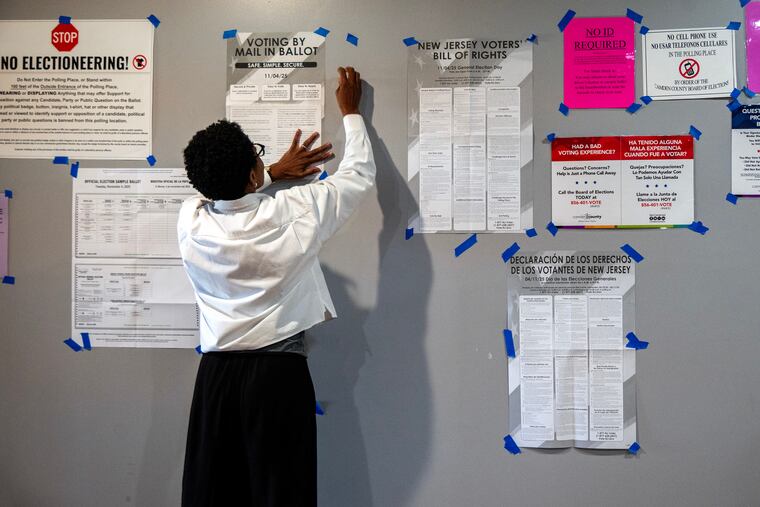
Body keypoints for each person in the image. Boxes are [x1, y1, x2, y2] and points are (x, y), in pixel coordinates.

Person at [178, 67, 374, 506]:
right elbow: (358, 176)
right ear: (251, 173)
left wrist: (267, 174)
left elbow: (220, 192)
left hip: (216, 379)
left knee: (215, 494)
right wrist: (351, 112)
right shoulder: (297, 210)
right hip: (277, 378)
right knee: (282, 491)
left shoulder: (189, 222)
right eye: (256, 157)